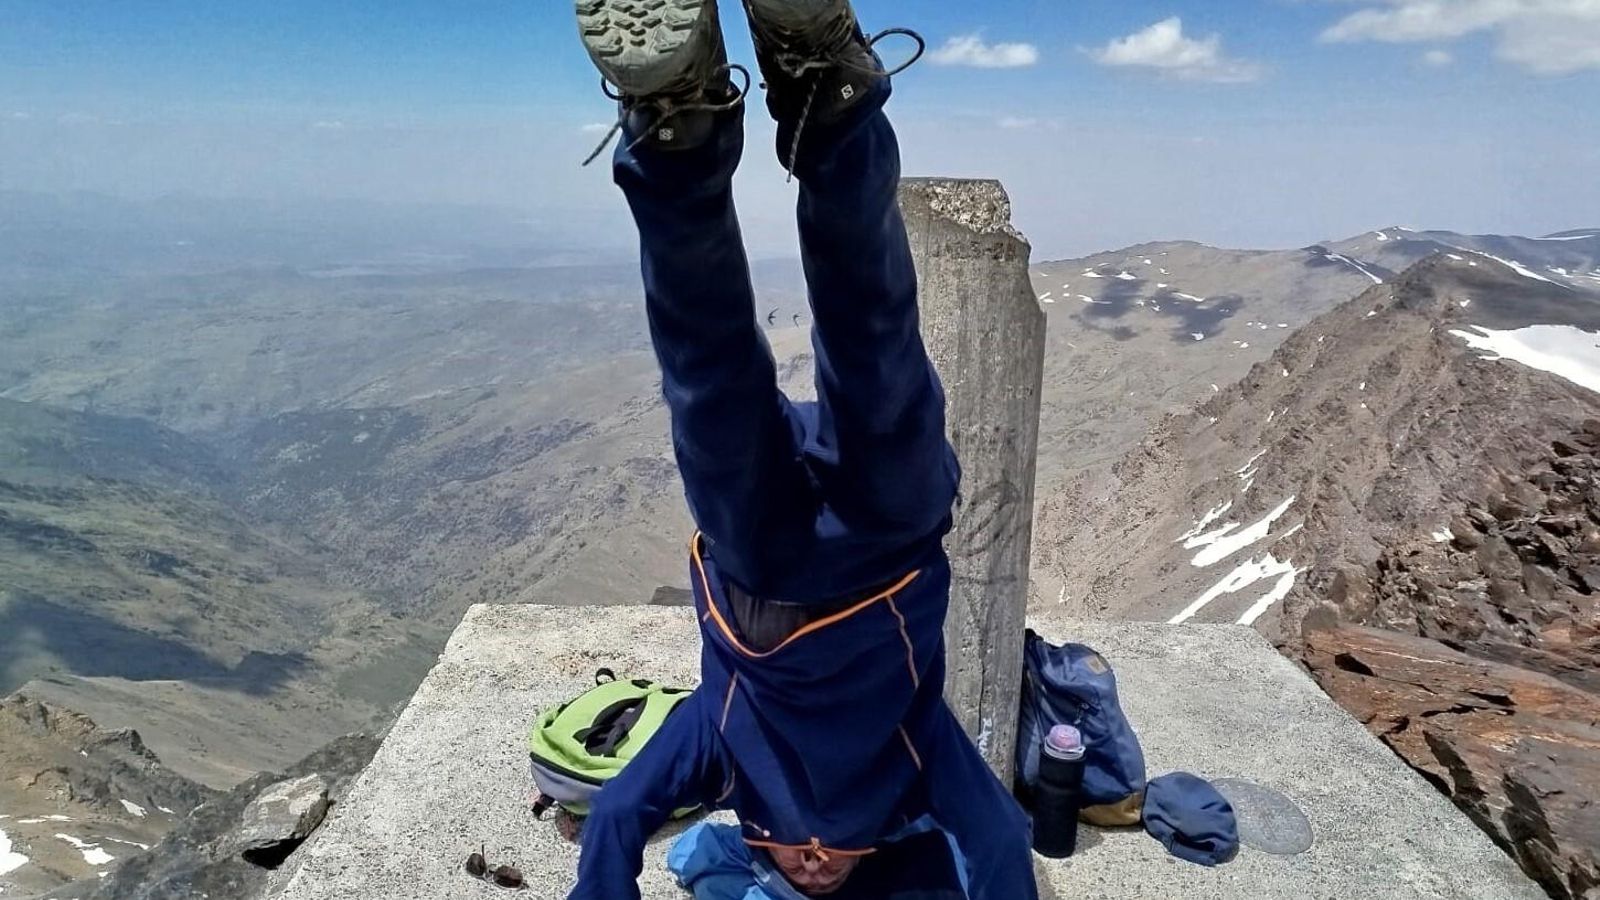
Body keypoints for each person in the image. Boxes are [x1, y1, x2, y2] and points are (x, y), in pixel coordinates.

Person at [567, 1, 1039, 898]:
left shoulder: (717, 742)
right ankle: (829, 91)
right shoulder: (917, 749)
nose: (812, 858)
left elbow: (621, 813)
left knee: (705, 367)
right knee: (873, 341)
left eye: (787, 863)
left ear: (752, 847)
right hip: (888, 536)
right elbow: (996, 844)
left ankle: (677, 121)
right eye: (833, 864)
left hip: (761, 556)